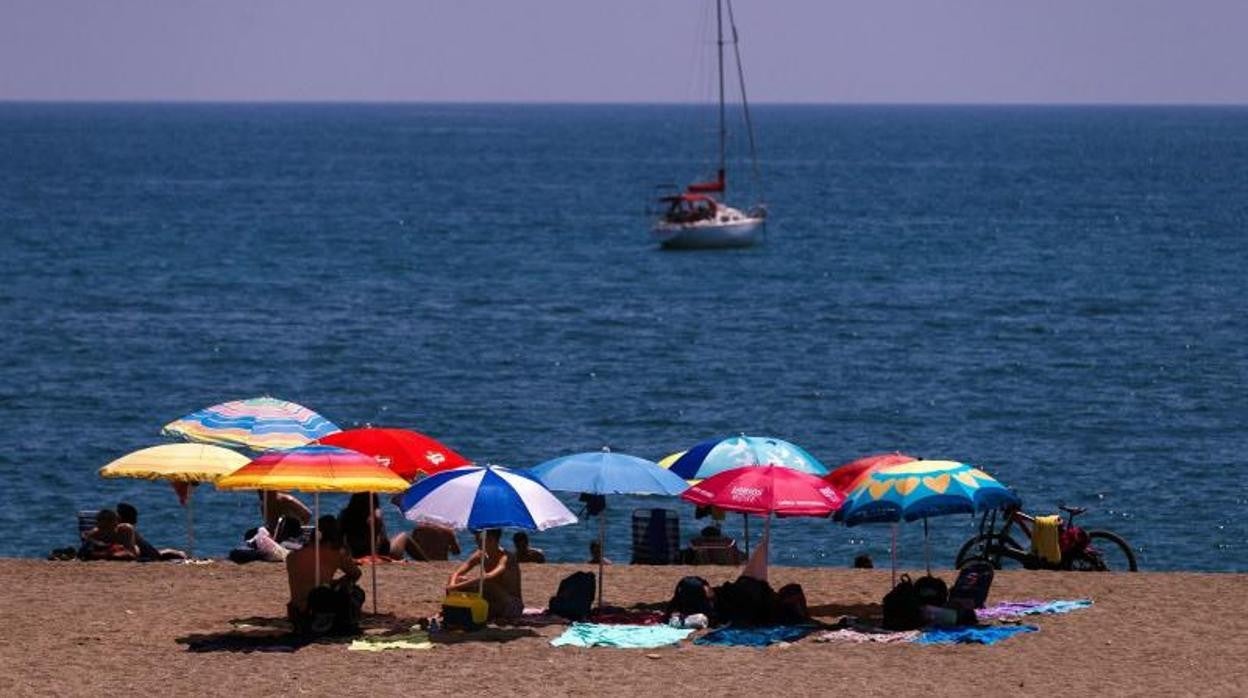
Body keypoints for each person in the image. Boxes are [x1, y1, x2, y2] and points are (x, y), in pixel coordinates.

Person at [286, 515, 363, 635]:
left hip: (296, 610)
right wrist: (340, 582)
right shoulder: (336, 553)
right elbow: (356, 574)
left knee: (324, 590)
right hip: (315, 605)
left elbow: (307, 579)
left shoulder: (293, 555)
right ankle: (339, 621)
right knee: (356, 592)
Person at [445, 529, 522, 620]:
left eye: (479, 538)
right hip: (493, 600)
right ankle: (450, 607)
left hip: (511, 604)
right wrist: (453, 584)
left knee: (486, 585)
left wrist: (455, 587)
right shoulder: (481, 554)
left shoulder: (506, 557)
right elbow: (457, 572)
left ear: (491, 539)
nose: (476, 541)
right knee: (458, 579)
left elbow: (488, 576)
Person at [116, 502, 187, 561]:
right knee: (169, 552)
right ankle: (180, 554)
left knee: (169, 553)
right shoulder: (129, 531)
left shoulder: (125, 529)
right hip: (153, 554)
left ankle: (180, 554)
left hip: (152, 556)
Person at [338, 493, 389, 559]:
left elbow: (338, 537)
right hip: (373, 553)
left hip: (352, 552)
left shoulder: (345, 513)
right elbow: (384, 541)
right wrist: (378, 521)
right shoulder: (374, 516)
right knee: (404, 537)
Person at [391, 522, 461, 561]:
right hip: (441, 561)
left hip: (422, 560)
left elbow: (413, 548)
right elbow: (456, 552)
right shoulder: (447, 532)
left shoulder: (418, 530)